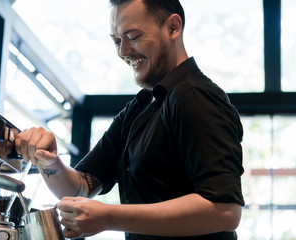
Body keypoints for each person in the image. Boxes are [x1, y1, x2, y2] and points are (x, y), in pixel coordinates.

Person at [15, 0, 245, 239]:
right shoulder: (140, 108)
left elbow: (224, 210)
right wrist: (49, 162)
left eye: (133, 36)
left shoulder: (195, 96)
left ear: (173, 27)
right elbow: (81, 187)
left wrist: (110, 217)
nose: (123, 52)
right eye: (116, 41)